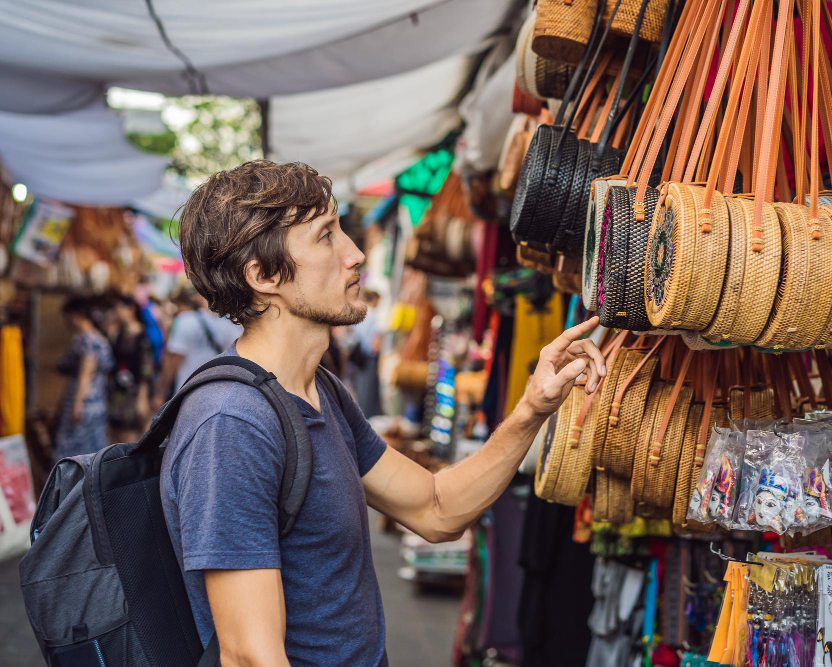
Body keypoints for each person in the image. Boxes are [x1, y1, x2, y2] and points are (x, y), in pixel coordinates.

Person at [163, 160, 605, 667]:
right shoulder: (232, 424)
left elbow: (437, 510)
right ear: (263, 276)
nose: (355, 255)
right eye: (325, 237)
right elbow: (249, 656)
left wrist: (532, 407)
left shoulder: (320, 390)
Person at [151, 287, 242, 407]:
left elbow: (173, 361)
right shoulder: (231, 324)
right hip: (219, 395)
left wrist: (160, 391)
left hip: (188, 392)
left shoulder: (185, 320)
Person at [53, 297, 115, 458]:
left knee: (74, 450)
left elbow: (85, 375)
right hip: (97, 400)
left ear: (74, 315)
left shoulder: (86, 339)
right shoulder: (99, 338)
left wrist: (77, 404)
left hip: (84, 402)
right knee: (91, 451)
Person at [107, 293, 155, 443]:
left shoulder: (142, 336)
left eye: (121, 308)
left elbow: (146, 369)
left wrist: (142, 397)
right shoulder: (117, 333)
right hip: (117, 389)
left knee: (129, 434)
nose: (118, 312)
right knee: (115, 432)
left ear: (131, 309)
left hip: (133, 391)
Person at [348, 289, 383, 417]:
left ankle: (361, 412)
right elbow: (376, 340)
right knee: (369, 386)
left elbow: (353, 334)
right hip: (370, 355)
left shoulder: (360, 313)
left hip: (358, 355)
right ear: (374, 299)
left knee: (360, 386)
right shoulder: (373, 314)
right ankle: (367, 414)